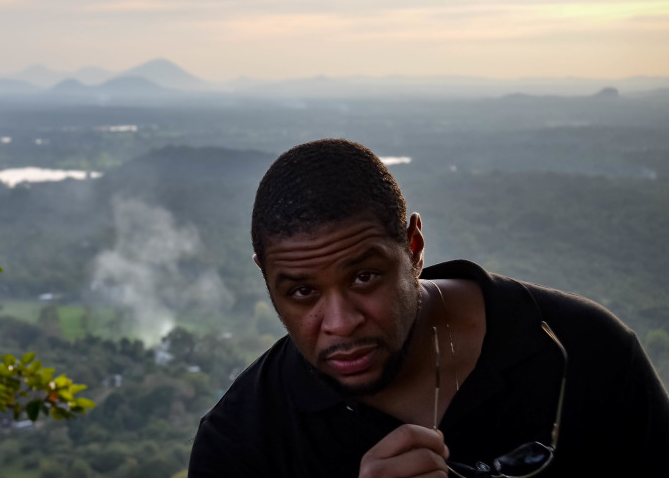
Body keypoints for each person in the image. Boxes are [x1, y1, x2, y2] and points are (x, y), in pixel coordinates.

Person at [188, 139, 669, 477]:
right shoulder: (243, 442)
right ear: (266, 278)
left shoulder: (584, 351)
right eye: (301, 292)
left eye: (364, 277)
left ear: (414, 246)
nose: (340, 323)